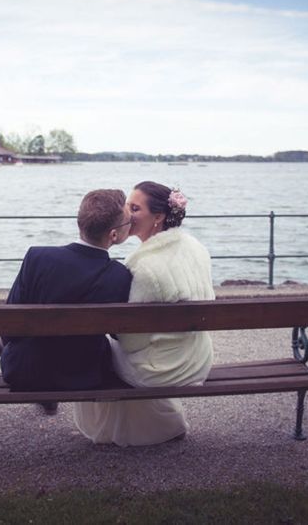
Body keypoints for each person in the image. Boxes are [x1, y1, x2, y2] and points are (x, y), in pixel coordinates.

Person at [73, 181, 215, 445]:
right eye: (127, 205)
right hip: (197, 358)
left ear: (158, 217)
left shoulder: (144, 268)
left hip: (161, 371)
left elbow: (132, 341)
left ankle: (136, 429)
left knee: (94, 345)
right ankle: (163, 421)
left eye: (135, 208)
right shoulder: (196, 247)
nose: (126, 213)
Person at [0, 188, 133, 413]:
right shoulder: (120, 275)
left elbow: (10, 322)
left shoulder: (37, 257)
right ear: (114, 235)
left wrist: (6, 343)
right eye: (128, 222)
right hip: (85, 375)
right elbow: (118, 335)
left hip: (23, 371)